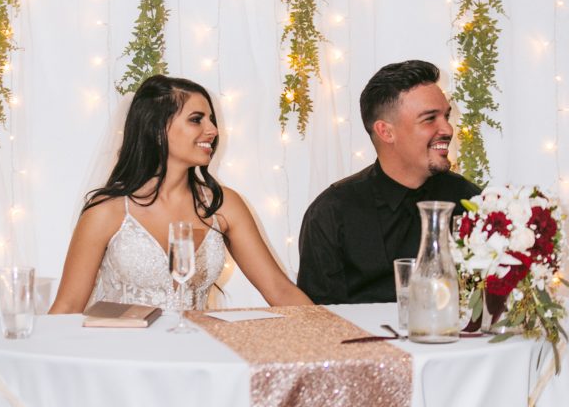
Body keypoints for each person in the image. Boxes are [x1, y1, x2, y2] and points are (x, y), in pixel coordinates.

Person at [50, 74, 311, 313]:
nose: (213, 130)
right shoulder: (107, 210)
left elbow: (279, 290)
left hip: (196, 343)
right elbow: (68, 305)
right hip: (123, 346)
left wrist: (329, 332)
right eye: (197, 119)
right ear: (157, 129)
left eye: (211, 120)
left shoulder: (223, 205)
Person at [297, 60, 480, 304]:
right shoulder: (331, 213)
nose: (447, 129)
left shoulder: (469, 201)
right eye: (429, 119)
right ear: (386, 132)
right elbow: (317, 319)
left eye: (446, 116)